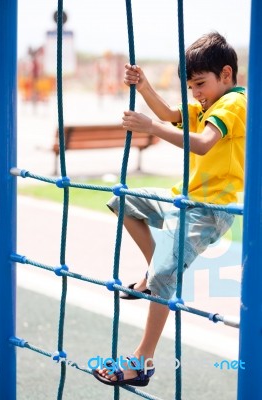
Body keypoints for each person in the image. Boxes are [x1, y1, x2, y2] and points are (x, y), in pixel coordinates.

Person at [92, 32, 246, 387]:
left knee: (165, 276)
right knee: (123, 199)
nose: (195, 93)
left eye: (200, 84)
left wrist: (152, 128)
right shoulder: (210, 103)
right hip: (184, 199)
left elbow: (204, 144)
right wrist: (145, 87)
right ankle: (155, 272)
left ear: (226, 74)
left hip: (210, 209)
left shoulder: (234, 105)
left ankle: (141, 362)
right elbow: (169, 113)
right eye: (191, 87)